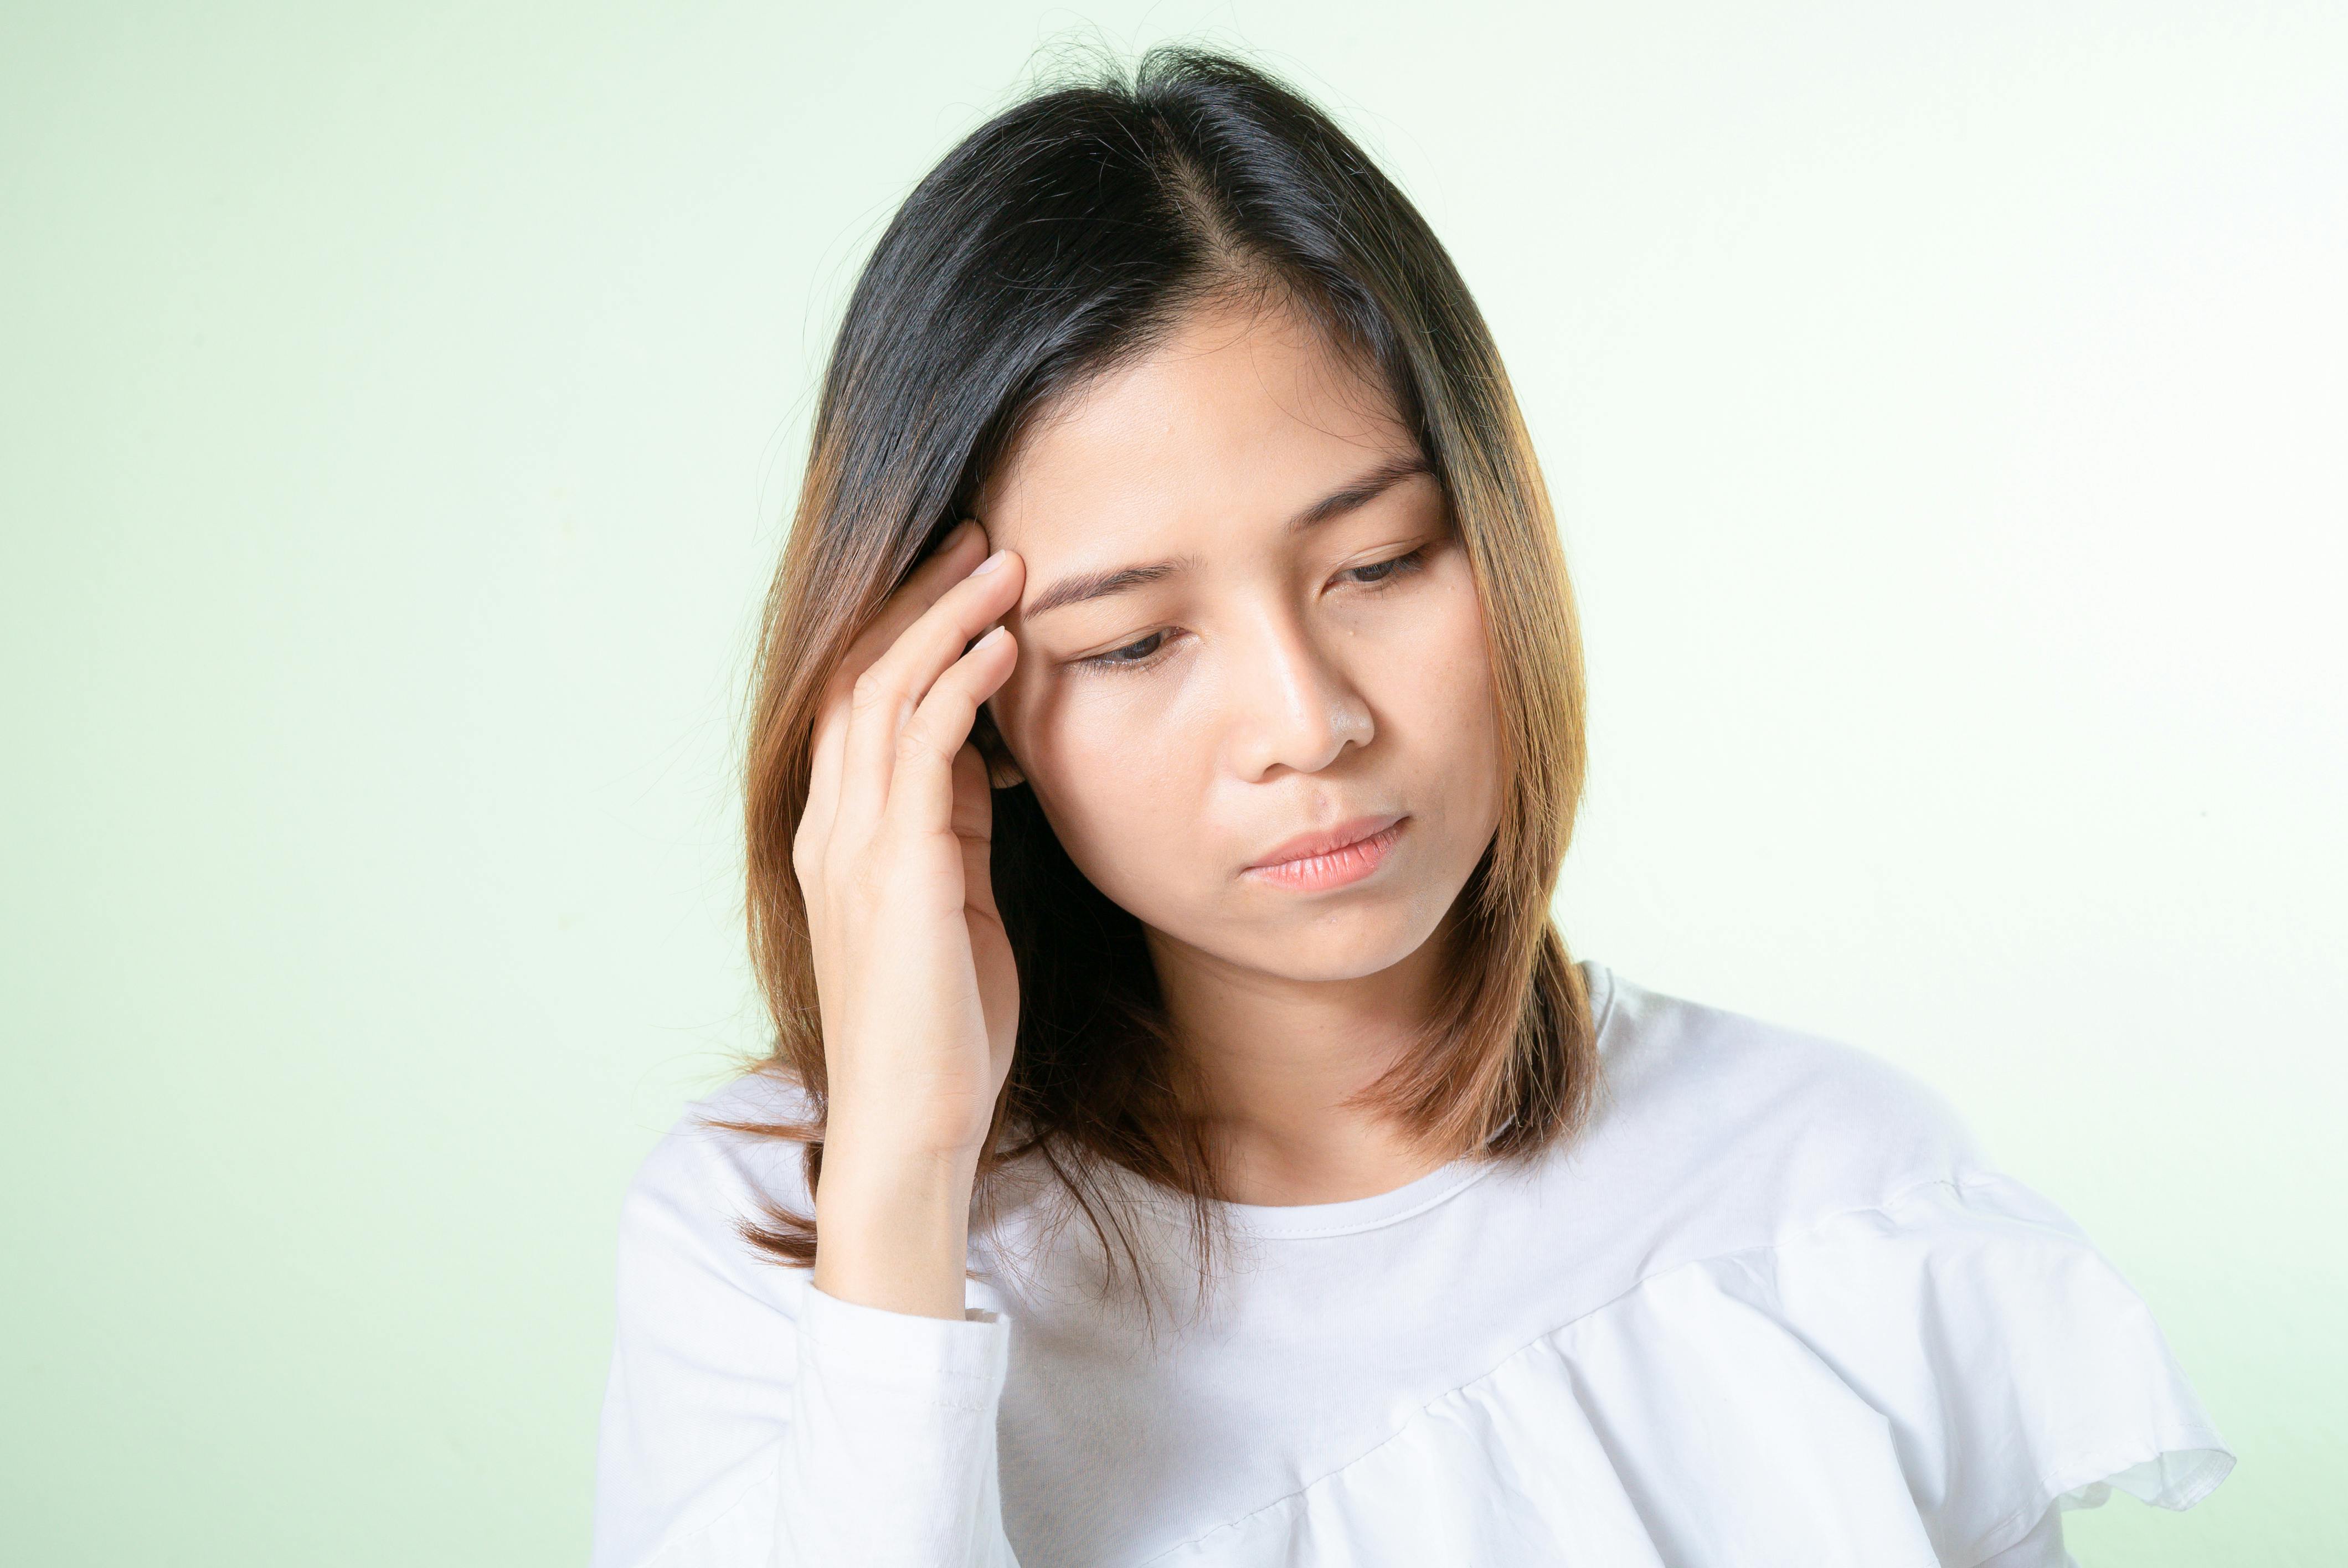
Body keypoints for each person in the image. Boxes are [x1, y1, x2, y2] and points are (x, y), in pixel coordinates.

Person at [588, 45, 2233, 1568]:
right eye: (1138, 639)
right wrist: (907, 1170)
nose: (1309, 723)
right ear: (967, 709)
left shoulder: (1836, 1200)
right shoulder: (770, 1234)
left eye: (1377, 565)